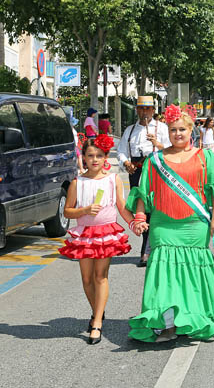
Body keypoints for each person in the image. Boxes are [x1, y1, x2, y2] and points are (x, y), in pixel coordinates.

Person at [126, 104, 214, 342]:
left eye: (182, 129)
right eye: (172, 130)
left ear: (192, 131)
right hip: (162, 225)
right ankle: (166, 324)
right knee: (164, 276)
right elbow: (142, 193)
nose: (177, 134)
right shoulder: (155, 160)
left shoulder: (205, 157)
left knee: (192, 274)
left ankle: (194, 316)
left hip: (194, 225)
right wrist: (139, 218)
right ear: (167, 132)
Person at [59, 135, 134, 345]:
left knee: (101, 276)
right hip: (85, 234)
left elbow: (121, 206)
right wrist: (84, 210)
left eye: (99, 156)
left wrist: (134, 222)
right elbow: (68, 211)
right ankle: (97, 310)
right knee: (86, 279)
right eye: (90, 155)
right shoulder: (77, 183)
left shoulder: (113, 179)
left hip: (106, 233)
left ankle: (97, 321)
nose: (94, 159)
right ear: (83, 157)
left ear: (105, 158)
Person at [116, 96, 170, 267]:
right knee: (143, 211)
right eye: (141, 109)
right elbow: (121, 151)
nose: (144, 112)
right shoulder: (130, 130)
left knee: (157, 210)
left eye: (148, 109)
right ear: (137, 110)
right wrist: (126, 163)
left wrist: (157, 143)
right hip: (137, 172)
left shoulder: (162, 128)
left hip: (156, 170)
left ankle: (154, 249)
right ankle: (146, 250)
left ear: (153, 111)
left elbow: (171, 149)